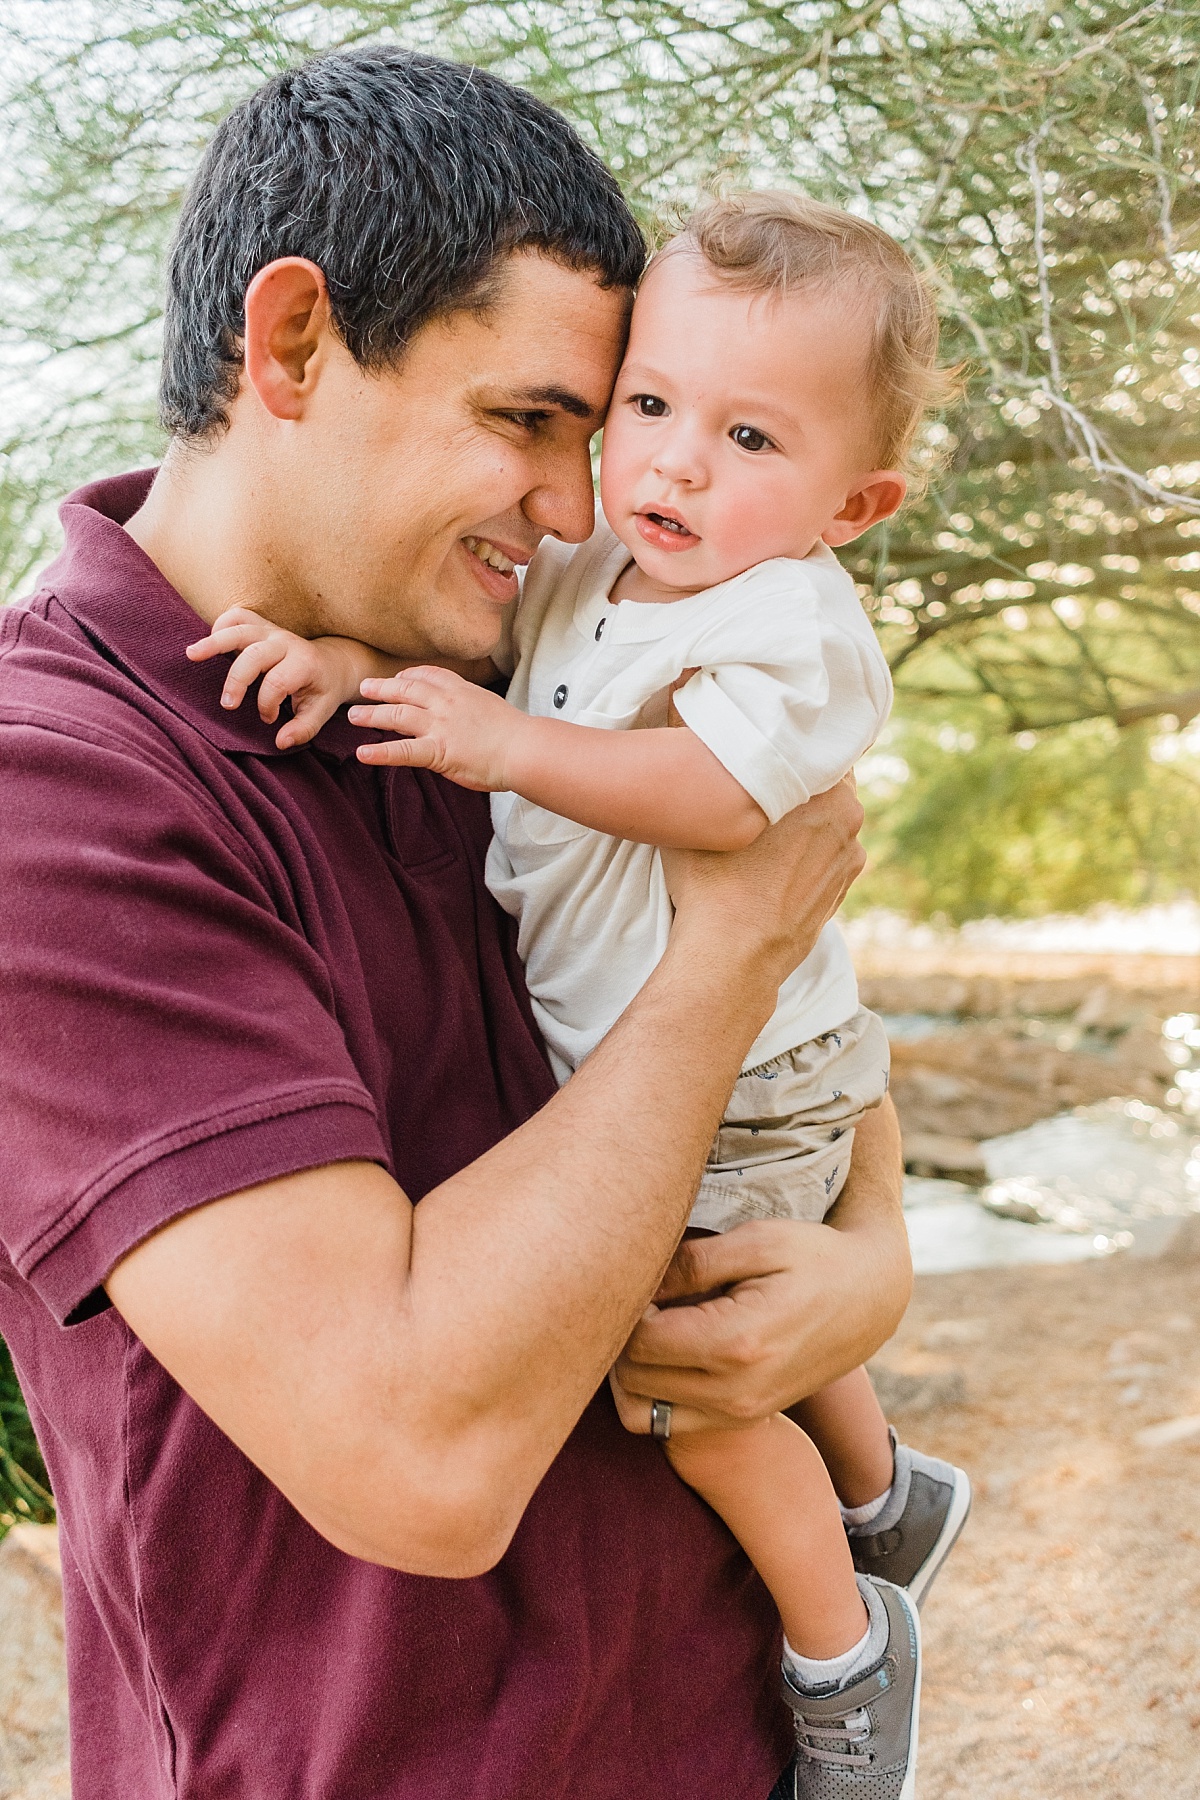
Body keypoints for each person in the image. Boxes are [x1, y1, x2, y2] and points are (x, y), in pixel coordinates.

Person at [0, 48, 913, 1800]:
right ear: (289, 347)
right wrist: (725, 946)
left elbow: (795, 1039)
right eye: (528, 422)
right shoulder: (57, 794)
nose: (582, 512)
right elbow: (419, 1453)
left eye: (608, 421)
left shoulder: (479, 679)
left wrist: (862, 1261)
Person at [194, 189, 971, 1796]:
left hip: (753, 1067)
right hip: (689, 1044)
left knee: (682, 1371)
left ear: (856, 501)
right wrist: (347, 673)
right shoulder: (588, 573)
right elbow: (486, 673)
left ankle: (845, 1636)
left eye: (752, 439)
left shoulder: (788, 620)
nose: (669, 463)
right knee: (743, 1302)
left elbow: (733, 814)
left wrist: (502, 752)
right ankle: (886, 1485)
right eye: (645, 408)